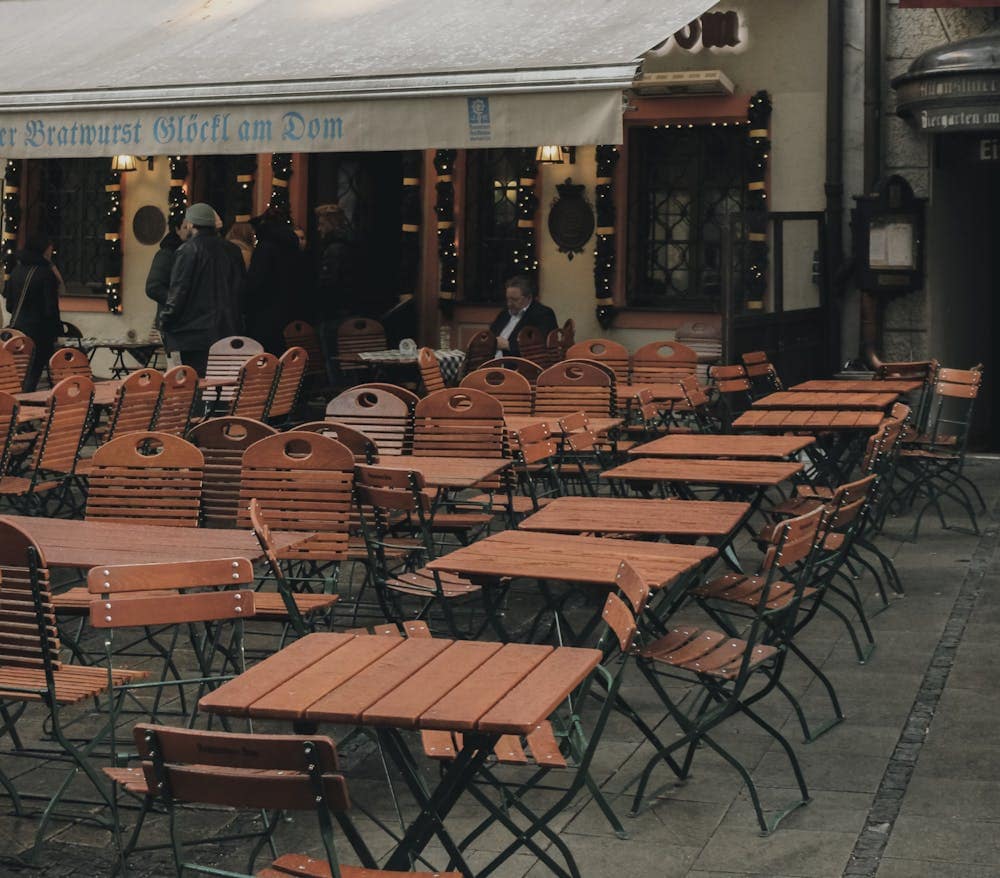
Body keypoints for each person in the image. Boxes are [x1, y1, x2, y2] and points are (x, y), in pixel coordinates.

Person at [159, 202, 245, 377]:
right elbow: (241, 289)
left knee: (198, 385)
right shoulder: (233, 250)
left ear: (191, 224)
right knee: (223, 384)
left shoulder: (188, 250)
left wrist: (165, 320)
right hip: (229, 329)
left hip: (194, 336)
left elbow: (179, 292)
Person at [3, 232, 63, 391]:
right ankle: (28, 407)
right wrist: (57, 331)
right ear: (43, 250)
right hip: (39, 333)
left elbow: (9, 306)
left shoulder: (16, 271)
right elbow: (51, 309)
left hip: (16, 331)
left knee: (18, 373)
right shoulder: (45, 274)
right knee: (37, 373)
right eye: (50, 249)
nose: (51, 253)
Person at [243, 206, 300, 355]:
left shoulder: (265, 248)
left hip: (264, 315)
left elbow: (256, 282)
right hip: (290, 312)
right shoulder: (293, 247)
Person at [314, 203, 355, 381]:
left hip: (334, 312)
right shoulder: (351, 244)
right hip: (350, 309)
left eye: (322, 224)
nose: (318, 228)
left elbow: (330, 283)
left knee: (334, 360)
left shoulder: (334, 249)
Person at [145, 218, 191, 344]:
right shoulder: (167, 254)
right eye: (186, 227)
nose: (190, 231)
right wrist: (177, 302)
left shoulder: (190, 252)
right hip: (174, 323)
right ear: (177, 229)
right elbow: (153, 287)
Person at [488, 274, 557, 358]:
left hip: (518, 365)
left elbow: (540, 346)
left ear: (528, 297)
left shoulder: (543, 314)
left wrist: (509, 346)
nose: (509, 304)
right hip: (492, 361)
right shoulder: (505, 313)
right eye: (508, 299)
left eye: (514, 299)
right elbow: (490, 334)